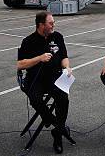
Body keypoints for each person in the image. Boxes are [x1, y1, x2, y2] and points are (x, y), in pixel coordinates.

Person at [17, 11, 72, 154]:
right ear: (41, 25)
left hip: (55, 77)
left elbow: (64, 57)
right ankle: (54, 122)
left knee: (63, 99)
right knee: (35, 98)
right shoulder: (28, 41)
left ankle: (57, 134)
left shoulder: (57, 37)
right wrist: (39, 58)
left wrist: (67, 67)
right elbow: (20, 65)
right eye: (50, 23)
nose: (53, 25)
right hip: (36, 78)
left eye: (53, 22)